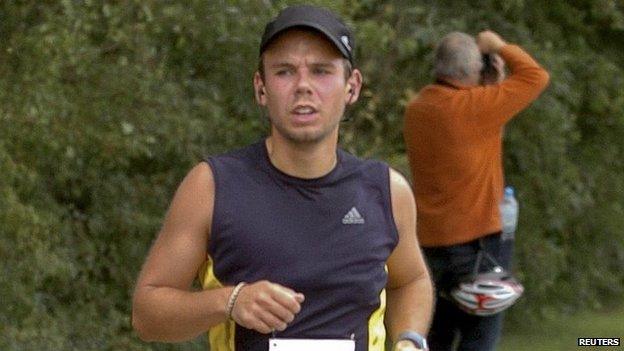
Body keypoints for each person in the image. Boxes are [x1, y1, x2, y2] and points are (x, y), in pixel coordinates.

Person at [132, 5, 433, 351]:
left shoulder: (386, 191)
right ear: (261, 88)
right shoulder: (212, 186)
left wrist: (410, 340)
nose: (303, 86)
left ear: (352, 87)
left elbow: (411, 281)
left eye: (321, 71)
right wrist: (230, 301)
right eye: (285, 72)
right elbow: (147, 314)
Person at [403, 31, 550, 351]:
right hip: (478, 246)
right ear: (471, 70)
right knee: (479, 339)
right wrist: (498, 45)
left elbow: (471, 135)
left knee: (436, 337)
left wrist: (489, 87)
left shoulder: (418, 109)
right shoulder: (476, 107)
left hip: (429, 246)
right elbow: (535, 76)